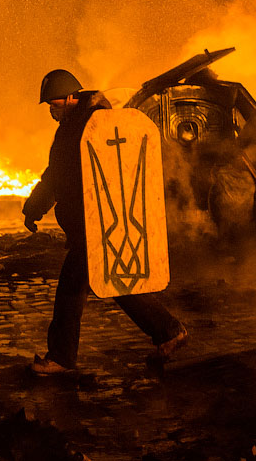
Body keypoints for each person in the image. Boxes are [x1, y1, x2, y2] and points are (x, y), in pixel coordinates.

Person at [22, 69, 189, 375]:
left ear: (71, 97)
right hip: (86, 223)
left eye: (54, 104)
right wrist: (35, 207)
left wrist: (36, 207)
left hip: (95, 222)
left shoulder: (95, 124)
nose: (51, 111)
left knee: (72, 292)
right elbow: (56, 173)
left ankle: (60, 357)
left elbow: (79, 174)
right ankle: (168, 331)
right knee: (115, 282)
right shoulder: (73, 125)